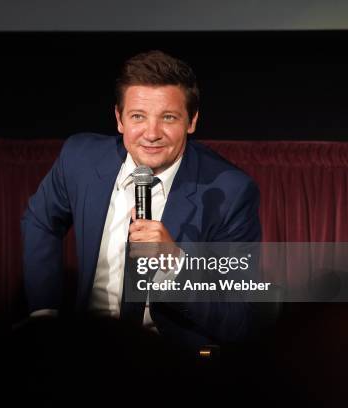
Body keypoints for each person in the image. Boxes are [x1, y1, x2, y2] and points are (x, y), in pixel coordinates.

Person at [21, 50, 261, 351]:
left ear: (192, 121)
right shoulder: (80, 158)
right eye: (138, 116)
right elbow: (41, 220)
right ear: (119, 119)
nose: (151, 133)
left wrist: (175, 263)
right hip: (89, 350)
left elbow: (240, 321)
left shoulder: (232, 192)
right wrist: (45, 313)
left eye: (168, 118)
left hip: (172, 360)